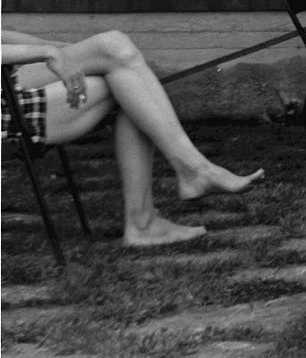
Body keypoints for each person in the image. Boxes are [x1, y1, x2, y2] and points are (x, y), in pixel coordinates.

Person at [0, 29, 263, 247]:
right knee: (128, 83)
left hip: (8, 82)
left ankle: (167, 199)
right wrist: (49, 52)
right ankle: (157, 208)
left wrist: (63, 48)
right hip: (7, 111)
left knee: (117, 56)